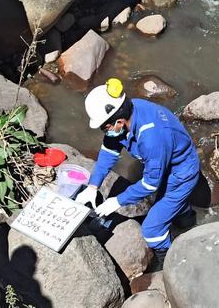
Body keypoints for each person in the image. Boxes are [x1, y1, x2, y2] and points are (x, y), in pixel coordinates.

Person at [75, 78, 201, 269]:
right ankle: (186, 220)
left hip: (181, 173)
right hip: (165, 161)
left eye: (105, 127)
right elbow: (109, 152)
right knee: (174, 208)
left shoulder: (151, 138)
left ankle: (171, 265)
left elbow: (151, 184)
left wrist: (117, 201)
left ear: (118, 121)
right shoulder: (128, 112)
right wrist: (93, 186)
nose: (104, 131)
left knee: (151, 230)